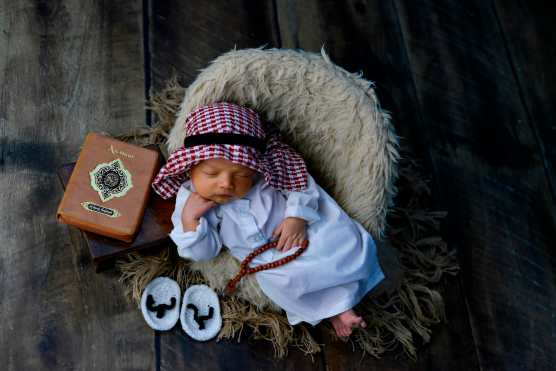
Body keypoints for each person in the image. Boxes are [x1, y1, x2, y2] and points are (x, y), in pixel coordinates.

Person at [151, 102, 385, 337]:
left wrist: (297, 217)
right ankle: (335, 310)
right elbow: (205, 252)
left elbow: (302, 186)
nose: (226, 183)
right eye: (211, 174)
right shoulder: (190, 201)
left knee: (339, 243)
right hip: (267, 254)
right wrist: (191, 220)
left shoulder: (271, 171)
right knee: (288, 281)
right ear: (191, 168)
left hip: (301, 230)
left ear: (253, 170)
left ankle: (344, 300)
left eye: (241, 175)